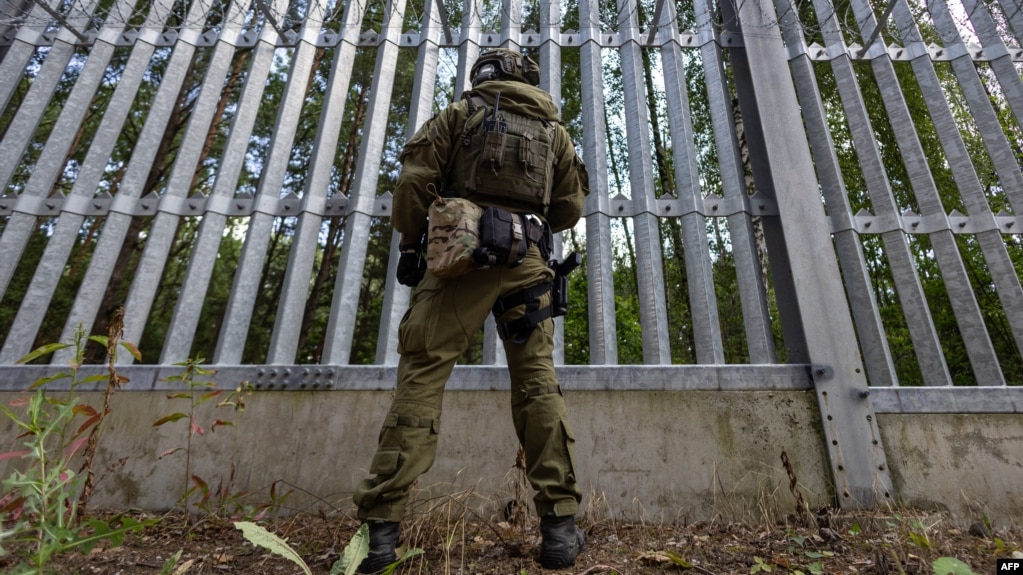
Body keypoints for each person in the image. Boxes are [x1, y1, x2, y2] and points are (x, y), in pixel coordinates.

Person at [351, 48, 591, 573]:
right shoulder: (555, 131)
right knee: (536, 384)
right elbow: (569, 209)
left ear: (481, 76)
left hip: (458, 262)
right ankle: (559, 530)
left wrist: (414, 246)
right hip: (527, 263)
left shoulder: (458, 115)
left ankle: (382, 538)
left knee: (422, 376)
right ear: (524, 78)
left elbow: (415, 184)